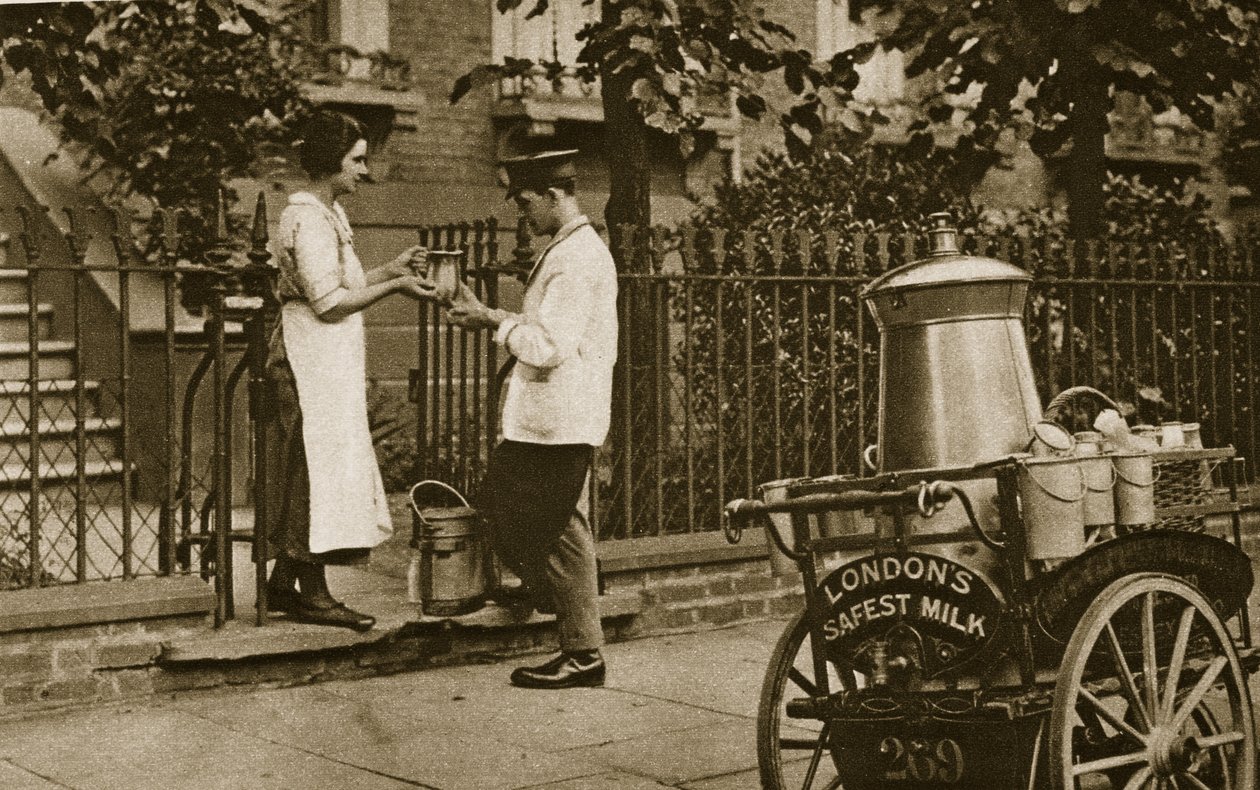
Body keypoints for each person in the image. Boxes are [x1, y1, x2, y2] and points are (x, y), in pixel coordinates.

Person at [445, 150, 617, 688]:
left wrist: (494, 323)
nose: (523, 214)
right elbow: (547, 330)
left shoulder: (576, 258)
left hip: (561, 418)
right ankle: (565, 602)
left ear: (554, 194)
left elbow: (547, 346)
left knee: (561, 530)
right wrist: (492, 316)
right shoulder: (568, 250)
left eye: (525, 201)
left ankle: (583, 648)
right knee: (511, 505)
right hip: (552, 418)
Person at [264, 110, 440, 631]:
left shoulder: (329, 213)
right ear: (328, 164)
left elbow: (348, 283)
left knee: (326, 468)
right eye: (357, 160)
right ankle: (313, 593)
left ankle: (283, 583)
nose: (365, 170)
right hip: (307, 355)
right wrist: (397, 288)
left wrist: (393, 267)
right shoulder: (306, 218)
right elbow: (327, 303)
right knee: (315, 471)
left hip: (329, 358)